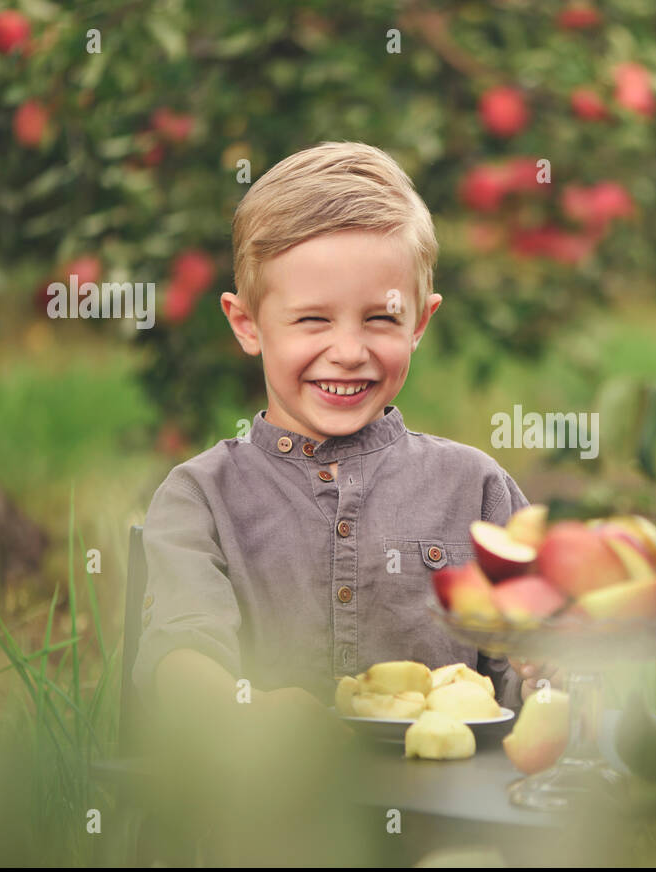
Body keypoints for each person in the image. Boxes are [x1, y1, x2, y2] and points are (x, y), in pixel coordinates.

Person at [132, 142, 559, 740]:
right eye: (313, 320)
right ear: (246, 323)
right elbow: (181, 656)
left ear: (419, 323)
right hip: (269, 808)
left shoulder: (477, 489)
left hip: (450, 808)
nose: (350, 351)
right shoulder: (201, 496)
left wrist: (547, 674)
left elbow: (520, 678)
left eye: (381, 319)